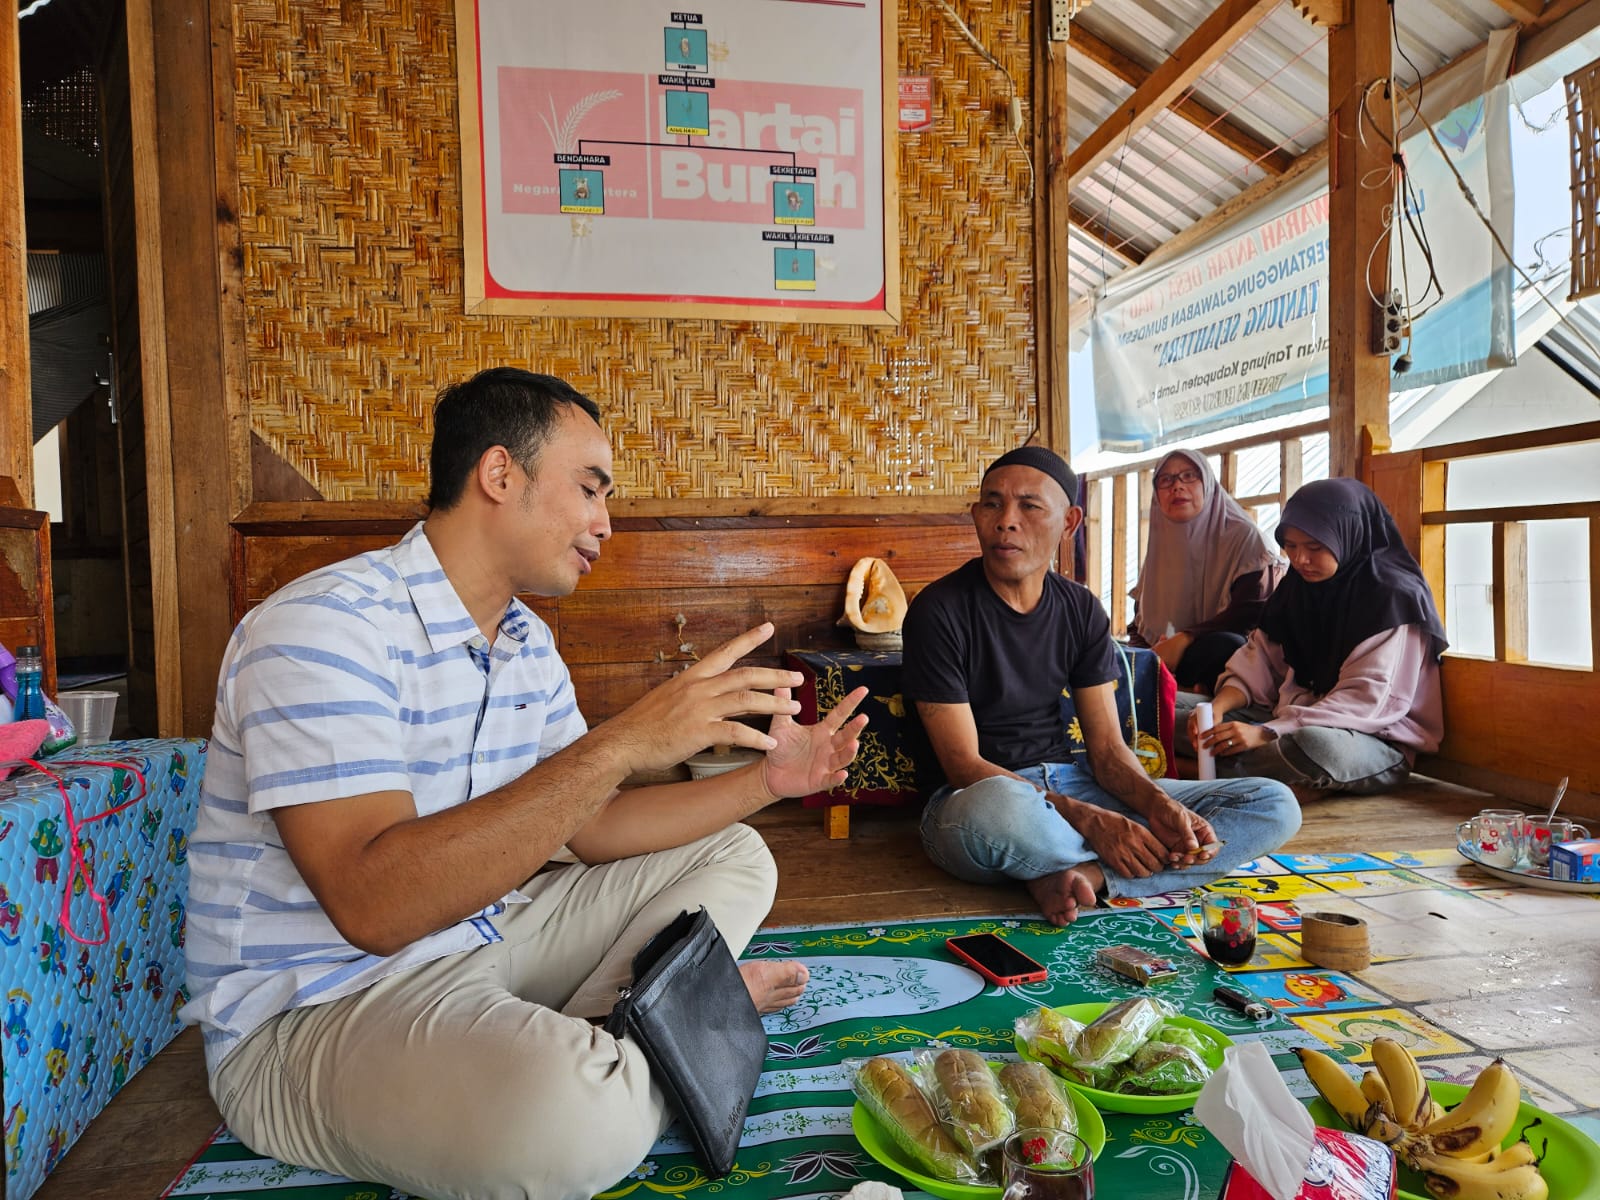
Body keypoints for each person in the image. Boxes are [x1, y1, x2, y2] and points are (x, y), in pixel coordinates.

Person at [182, 368, 869, 1200]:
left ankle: (623, 1036)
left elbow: (590, 826)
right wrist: (623, 742)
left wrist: (767, 782)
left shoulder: (524, 642)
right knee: (572, 1124)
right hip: (320, 1011)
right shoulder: (322, 626)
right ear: (500, 474)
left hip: (485, 935)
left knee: (738, 855)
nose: (605, 523)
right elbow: (374, 905)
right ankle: (682, 1028)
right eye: (591, 487)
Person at [901, 445, 1301, 927]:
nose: (1006, 520)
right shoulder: (938, 611)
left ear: (1069, 522)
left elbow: (1109, 749)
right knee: (998, 813)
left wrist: (1158, 804)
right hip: (985, 801)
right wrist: (1089, 819)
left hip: (1077, 784)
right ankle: (1117, 859)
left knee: (1276, 805)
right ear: (976, 515)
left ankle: (1089, 875)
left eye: (1029, 506)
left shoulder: (1081, 610)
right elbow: (964, 765)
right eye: (991, 504)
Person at [1182, 477, 1446, 796]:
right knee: (1173, 713)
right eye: (1290, 546)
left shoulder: (1392, 597)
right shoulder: (1297, 587)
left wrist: (1265, 733)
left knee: (1316, 746)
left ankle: (1200, 769)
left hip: (1371, 740)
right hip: (1285, 718)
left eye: (1315, 547)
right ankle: (1246, 776)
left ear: (1349, 536)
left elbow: (1364, 702)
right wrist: (1218, 709)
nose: (1299, 560)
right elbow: (1259, 663)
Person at [1127, 449, 1283, 692]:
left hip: (1226, 655)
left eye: (1188, 476)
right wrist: (1146, 657)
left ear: (1208, 484)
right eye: (1166, 480)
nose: (1177, 486)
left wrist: (1187, 637)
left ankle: (1192, 687)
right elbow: (1140, 618)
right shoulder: (1161, 541)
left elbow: (1250, 615)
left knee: (1224, 646)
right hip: (1166, 657)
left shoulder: (1243, 537)